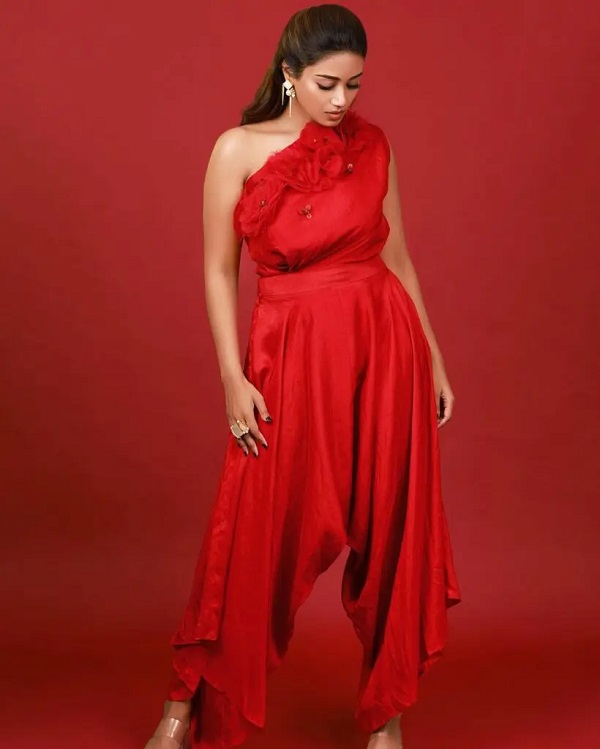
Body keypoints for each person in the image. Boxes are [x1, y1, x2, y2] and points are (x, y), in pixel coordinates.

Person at [144, 4, 461, 749]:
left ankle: (387, 717)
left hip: (384, 349)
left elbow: (397, 257)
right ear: (289, 74)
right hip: (288, 353)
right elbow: (218, 271)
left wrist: (435, 356)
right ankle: (186, 703)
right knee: (252, 531)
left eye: (355, 84)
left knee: (390, 524)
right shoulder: (237, 149)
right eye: (327, 84)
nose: (343, 100)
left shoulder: (374, 146)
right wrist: (231, 376)